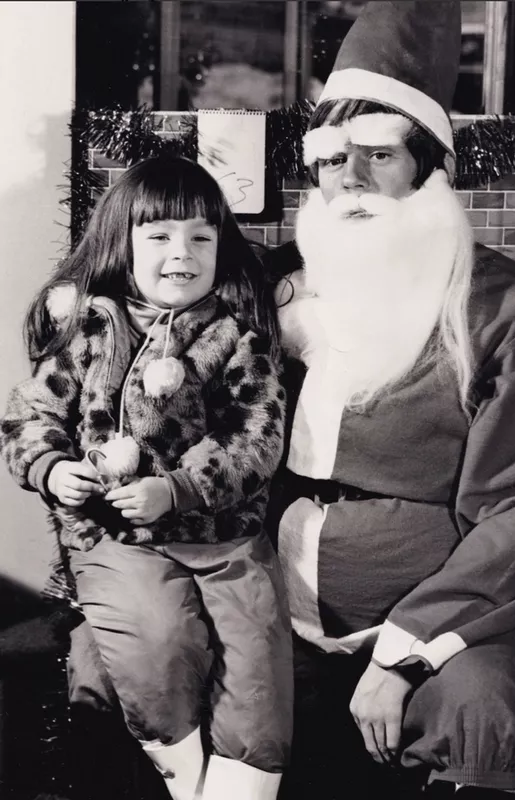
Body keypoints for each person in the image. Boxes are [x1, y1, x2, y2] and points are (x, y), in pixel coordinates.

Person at [266, 2, 515, 798]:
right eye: (332, 156)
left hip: (452, 614)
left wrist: (403, 650)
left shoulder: (507, 313)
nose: (350, 178)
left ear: (429, 168)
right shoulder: (277, 291)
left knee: (474, 707)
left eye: (378, 154)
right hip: (279, 597)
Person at [0, 156, 292, 800]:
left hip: (224, 538)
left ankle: (242, 789)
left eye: (201, 237)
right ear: (122, 244)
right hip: (121, 538)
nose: (181, 254)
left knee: (256, 657)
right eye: (159, 236)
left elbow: (256, 437)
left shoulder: (237, 338)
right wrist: (53, 469)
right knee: (158, 635)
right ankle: (184, 776)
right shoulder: (88, 333)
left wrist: (179, 487)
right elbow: (31, 413)